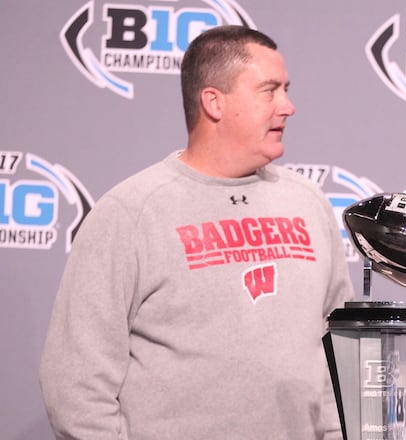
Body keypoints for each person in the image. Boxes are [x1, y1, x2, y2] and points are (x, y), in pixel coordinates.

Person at [39, 25, 353, 439]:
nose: (288, 106)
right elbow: (76, 384)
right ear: (214, 102)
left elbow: (339, 349)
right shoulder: (131, 213)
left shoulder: (309, 203)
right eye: (269, 90)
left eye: (286, 89)